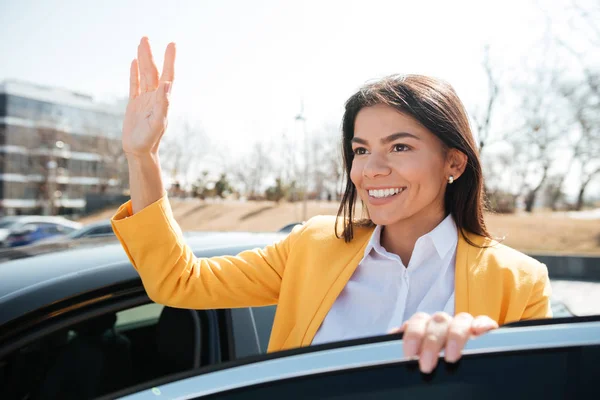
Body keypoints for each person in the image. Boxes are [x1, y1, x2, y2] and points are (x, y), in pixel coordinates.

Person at [111, 37, 552, 374]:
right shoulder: (311, 246)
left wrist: (482, 354)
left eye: (399, 147)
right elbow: (179, 282)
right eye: (361, 150)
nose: (370, 170)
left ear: (453, 161)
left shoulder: (519, 282)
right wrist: (141, 157)